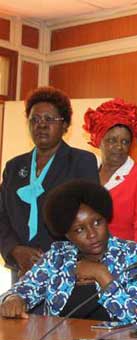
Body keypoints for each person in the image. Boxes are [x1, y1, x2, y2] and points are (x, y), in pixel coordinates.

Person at [0, 180, 137, 322]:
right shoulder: (58, 256)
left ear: (106, 218)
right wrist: (12, 299)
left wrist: (102, 275)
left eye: (97, 222)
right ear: (67, 234)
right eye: (79, 230)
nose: (92, 234)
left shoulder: (131, 253)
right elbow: (20, 291)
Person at [0, 86, 99, 283]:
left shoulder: (82, 162)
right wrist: (15, 250)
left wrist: (49, 260)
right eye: (35, 120)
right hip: (22, 269)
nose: (41, 125)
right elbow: (1, 216)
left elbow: (89, 217)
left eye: (49, 119)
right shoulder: (14, 167)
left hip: (68, 270)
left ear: (65, 125)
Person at [83, 99, 137, 251]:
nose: (119, 146)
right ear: (99, 140)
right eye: (112, 140)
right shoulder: (86, 171)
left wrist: (135, 261)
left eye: (125, 142)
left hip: (122, 259)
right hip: (84, 258)